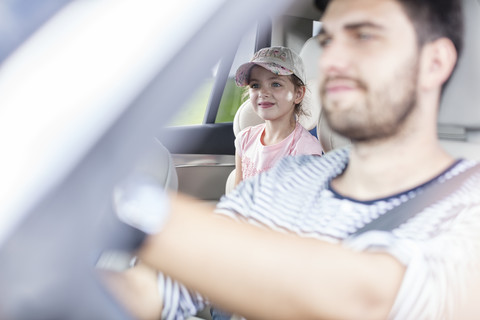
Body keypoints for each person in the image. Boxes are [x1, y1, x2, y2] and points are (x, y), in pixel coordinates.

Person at [105, 0, 480, 319]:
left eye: (364, 35)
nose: (330, 59)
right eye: (327, 40)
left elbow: (370, 297)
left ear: (434, 63)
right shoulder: (284, 179)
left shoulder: (470, 206)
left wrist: (125, 202)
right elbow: (162, 287)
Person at [233, 46, 323, 187]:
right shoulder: (244, 139)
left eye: (275, 84)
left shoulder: (305, 150)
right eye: (255, 85)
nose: (263, 92)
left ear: (298, 94)